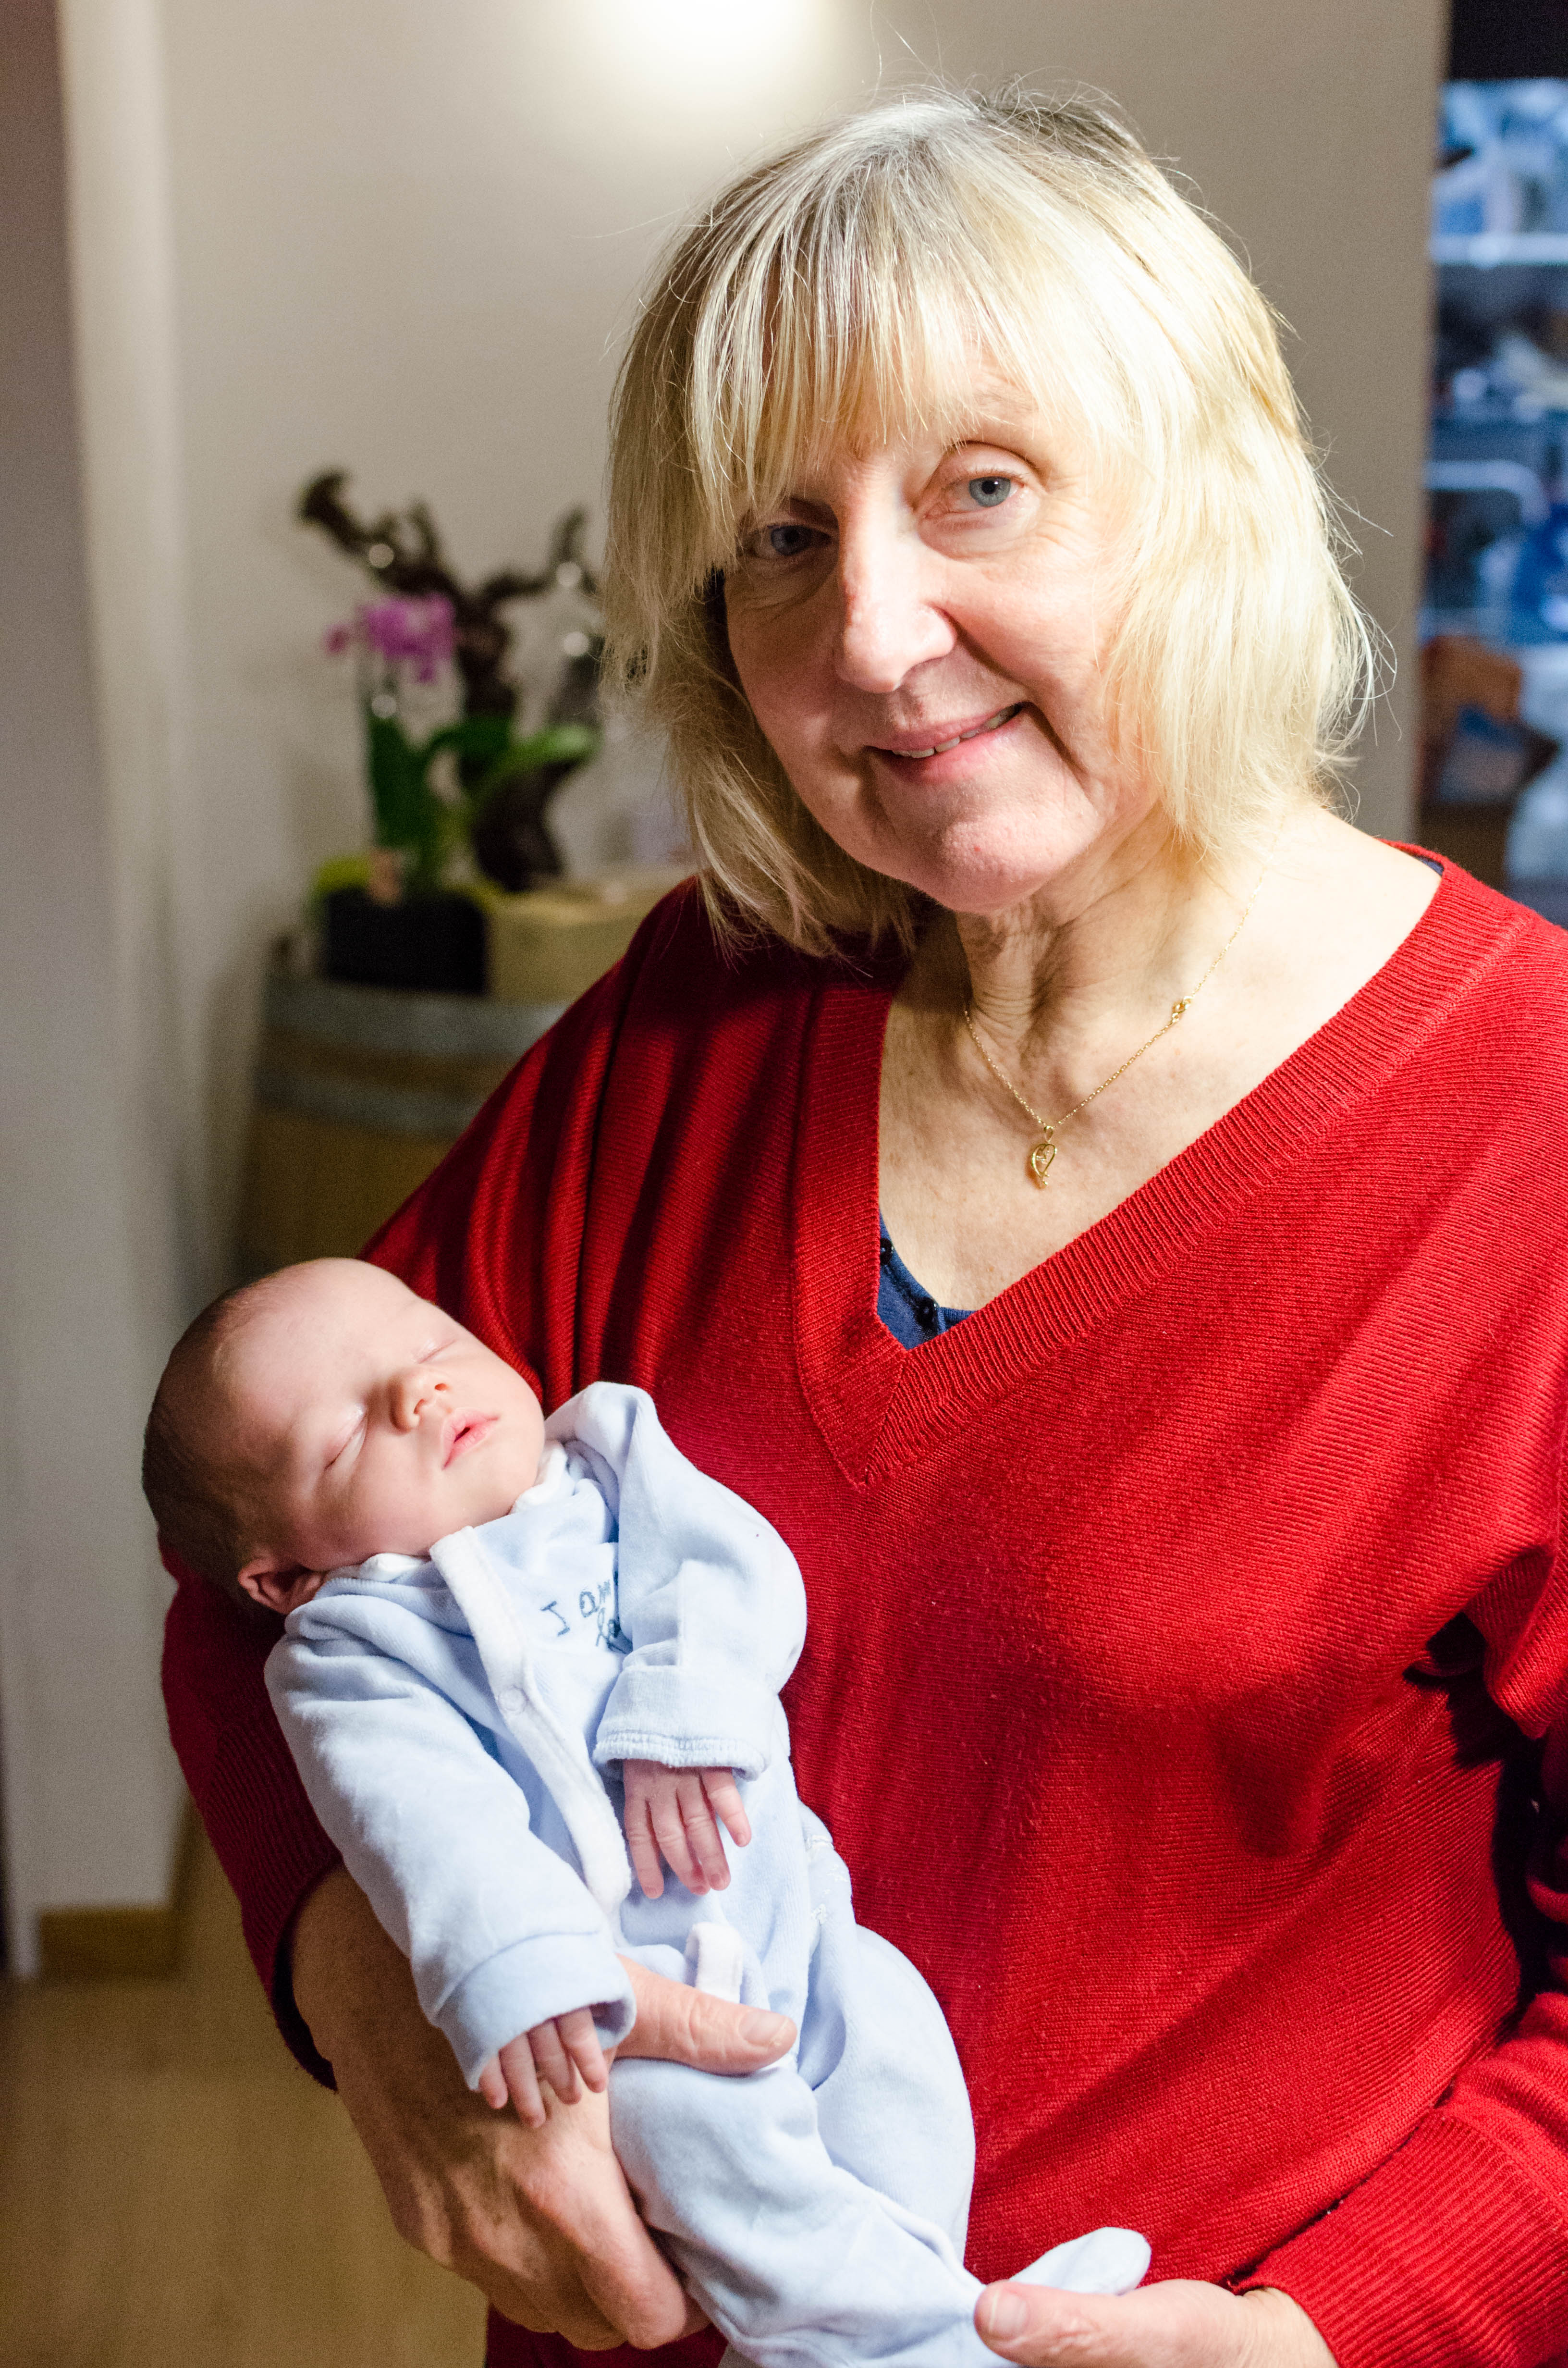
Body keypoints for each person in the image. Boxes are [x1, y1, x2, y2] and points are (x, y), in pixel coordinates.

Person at [159, 89, 1568, 2368]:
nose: (877, 635)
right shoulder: (696, 1019)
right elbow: (266, 1566)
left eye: (981, 488)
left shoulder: (1529, 1123)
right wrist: (357, 1969)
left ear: (1208, 490)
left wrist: (1343, 2330)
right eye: (781, 539)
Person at [141, 1255, 1148, 2368]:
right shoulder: (352, 1655)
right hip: (632, 2005)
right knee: (704, 2147)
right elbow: (430, 1830)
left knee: (894, 2044)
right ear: (285, 1579)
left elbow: (732, 1569)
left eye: (433, 1343)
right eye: (344, 1437)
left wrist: (678, 1714)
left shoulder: (610, 1456)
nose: (417, 1392)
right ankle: (912, 2344)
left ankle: (948, 2310)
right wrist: (523, 1972)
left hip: (800, 1922)